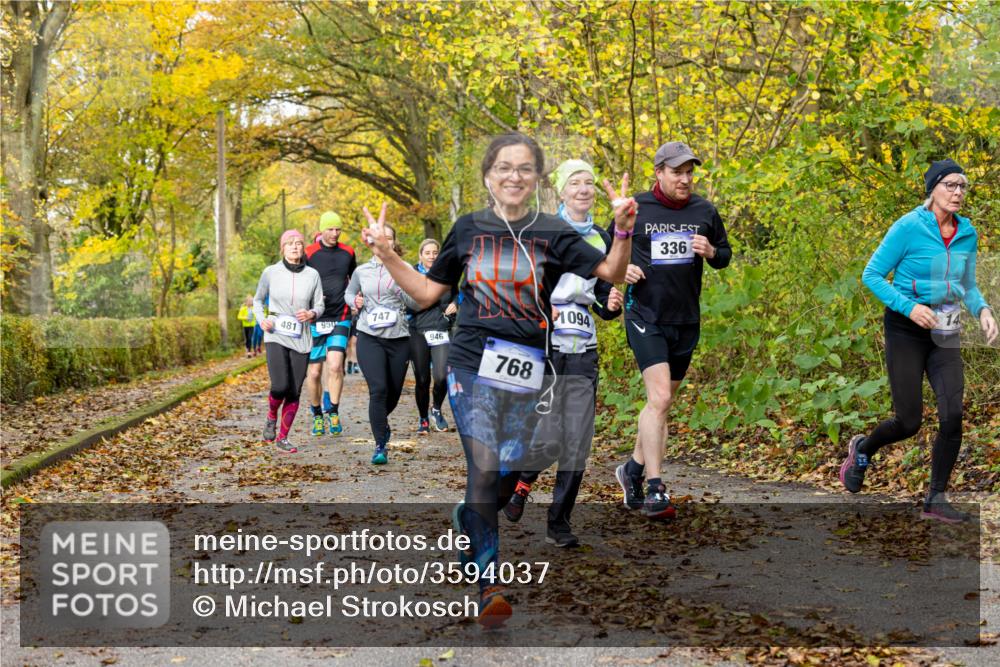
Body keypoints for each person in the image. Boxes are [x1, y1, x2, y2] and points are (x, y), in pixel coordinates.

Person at [360, 132, 635, 628]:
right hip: (471, 364)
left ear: (535, 180)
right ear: (488, 177)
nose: (514, 175)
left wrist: (621, 230)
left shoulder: (554, 232)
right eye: (504, 167)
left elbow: (611, 271)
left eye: (525, 168)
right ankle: (490, 586)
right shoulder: (467, 229)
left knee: (519, 466)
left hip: (530, 364)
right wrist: (386, 254)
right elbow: (426, 292)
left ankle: (471, 517)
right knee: (484, 467)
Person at [842, 159, 996, 522]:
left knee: (953, 414)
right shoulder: (909, 227)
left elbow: (967, 285)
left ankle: (936, 497)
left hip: (945, 329)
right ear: (933, 189)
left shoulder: (967, 233)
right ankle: (863, 449)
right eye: (951, 185)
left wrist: (984, 310)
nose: (958, 192)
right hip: (906, 329)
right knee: (909, 421)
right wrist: (910, 309)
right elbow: (873, 274)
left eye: (963, 186)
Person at [501, 159, 624, 548]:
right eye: (576, 182)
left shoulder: (602, 238)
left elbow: (603, 297)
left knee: (578, 440)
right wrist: (538, 304)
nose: (585, 189)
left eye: (589, 182)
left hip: (583, 346)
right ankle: (522, 480)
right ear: (561, 191)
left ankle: (559, 522)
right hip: (547, 345)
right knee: (552, 434)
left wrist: (612, 302)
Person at [611, 141, 732, 521]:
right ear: (659, 172)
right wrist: (620, 271)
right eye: (677, 172)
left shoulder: (704, 210)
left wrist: (711, 252)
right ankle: (654, 487)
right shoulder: (637, 207)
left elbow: (725, 256)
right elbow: (604, 258)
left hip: (685, 319)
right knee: (660, 399)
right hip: (644, 314)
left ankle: (630, 468)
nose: (685, 179)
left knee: (660, 406)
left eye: (689, 172)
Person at [344, 224, 417, 465]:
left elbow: (416, 303)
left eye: (388, 238)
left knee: (393, 393)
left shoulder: (405, 269)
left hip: (398, 337)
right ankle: (380, 445)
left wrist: (402, 286)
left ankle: (380, 423)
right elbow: (350, 293)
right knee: (378, 390)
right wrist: (354, 301)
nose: (383, 241)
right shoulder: (362, 271)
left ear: (394, 243)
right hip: (369, 335)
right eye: (379, 238)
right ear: (372, 243)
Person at [253, 229, 325, 453]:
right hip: (276, 333)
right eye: (290, 243)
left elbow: (320, 305)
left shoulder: (313, 275)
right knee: (280, 385)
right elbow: (257, 300)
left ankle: (283, 438)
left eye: (299, 243)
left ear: (304, 248)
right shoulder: (270, 272)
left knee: (294, 390)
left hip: (301, 337)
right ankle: (271, 415)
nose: (295, 247)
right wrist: (262, 319)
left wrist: (312, 314)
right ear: (282, 248)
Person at [303, 211, 357, 437]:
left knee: (335, 366)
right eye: (330, 229)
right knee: (314, 373)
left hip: (340, 316)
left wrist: (356, 299)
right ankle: (316, 414)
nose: (334, 234)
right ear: (322, 230)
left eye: (338, 229)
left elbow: (356, 280)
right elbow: (299, 281)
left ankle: (333, 411)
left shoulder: (348, 252)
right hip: (315, 319)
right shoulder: (309, 253)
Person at [407, 238, 457, 434]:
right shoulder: (411, 273)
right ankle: (423, 418)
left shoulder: (447, 273)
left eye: (435, 252)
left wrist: (455, 304)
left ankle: (436, 408)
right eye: (427, 253)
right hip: (418, 330)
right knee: (422, 379)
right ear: (420, 255)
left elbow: (456, 294)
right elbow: (408, 301)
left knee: (442, 376)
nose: (432, 256)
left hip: (441, 329)